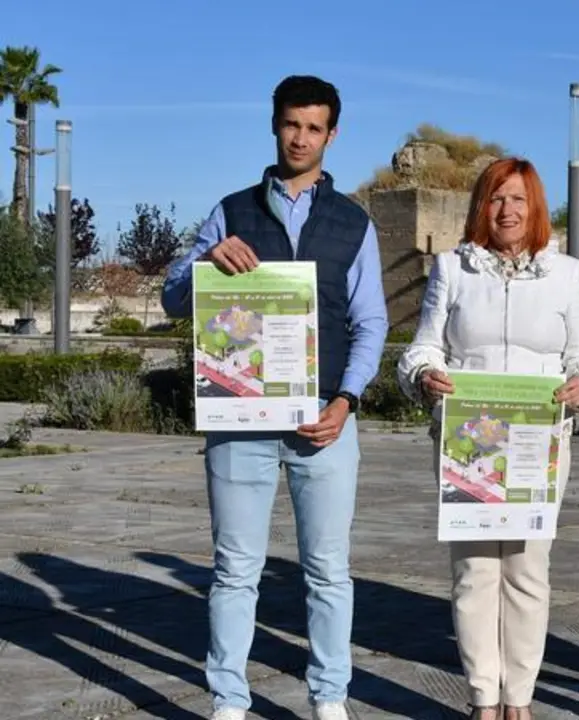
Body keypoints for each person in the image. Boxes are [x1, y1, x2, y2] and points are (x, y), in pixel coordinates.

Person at [160, 75, 388, 720]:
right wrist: (205, 261)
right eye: (292, 124)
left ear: (331, 135)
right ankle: (229, 700)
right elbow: (174, 297)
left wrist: (345, 402)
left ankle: (329, 698)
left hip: (325, 423)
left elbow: (370, 322)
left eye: (314, 128)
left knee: (328, 571)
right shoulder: (230, 211)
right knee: (235, 570)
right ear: (274, 125)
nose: (301, 137)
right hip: (239, 423)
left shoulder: (354, 223)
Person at [396, 157, 579, 720]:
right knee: (475, 571)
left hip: (540, 444)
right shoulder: (452, 269)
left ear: (535, 207)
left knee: (527, 568)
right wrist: (422, 375)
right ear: (480, 208)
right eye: (495, 199)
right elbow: (422, 347)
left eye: (517, 199)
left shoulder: (567, 273)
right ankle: (483, 696)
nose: (507, 210)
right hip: (470, 441)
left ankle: (520, 698)